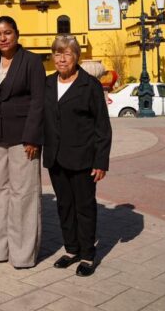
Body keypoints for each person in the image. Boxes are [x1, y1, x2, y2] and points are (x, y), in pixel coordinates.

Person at [0, 16, 45, 268]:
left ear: (17, 33)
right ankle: (1, 249)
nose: (3, 38)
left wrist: (33, 136)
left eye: (7, 32)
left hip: (23, 139)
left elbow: (38, 101)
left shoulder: (31, 62)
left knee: (23, 195)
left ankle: (23, 254)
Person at [43, 35, 112, 277]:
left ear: (76, 57)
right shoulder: (48, 83)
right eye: (57, 54)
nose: (62, 59)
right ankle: (71, 249)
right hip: (56, 158)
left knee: (84, 207)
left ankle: (88, 255)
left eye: (67, 54)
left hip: (83, 158)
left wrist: (101, 161)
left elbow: (102, 126)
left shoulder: (89, 85)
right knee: (64, 205)